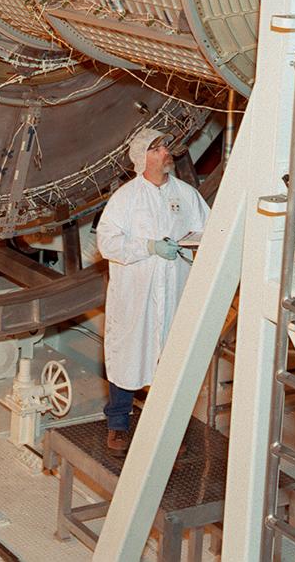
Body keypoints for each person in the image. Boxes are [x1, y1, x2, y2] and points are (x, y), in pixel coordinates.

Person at [95, 128, 209, 455]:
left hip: (174, 293)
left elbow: (209, 228)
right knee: (128, 354)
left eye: (164, 147)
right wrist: (149, 247)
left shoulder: (186, 195)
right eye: (157, 149)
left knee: (173, 361)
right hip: (136, 296)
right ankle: (118, 424)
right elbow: (108, 242)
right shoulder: (126, 199)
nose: (165, 153)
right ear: (142, 157)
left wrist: (190, 243)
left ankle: (171, 432)